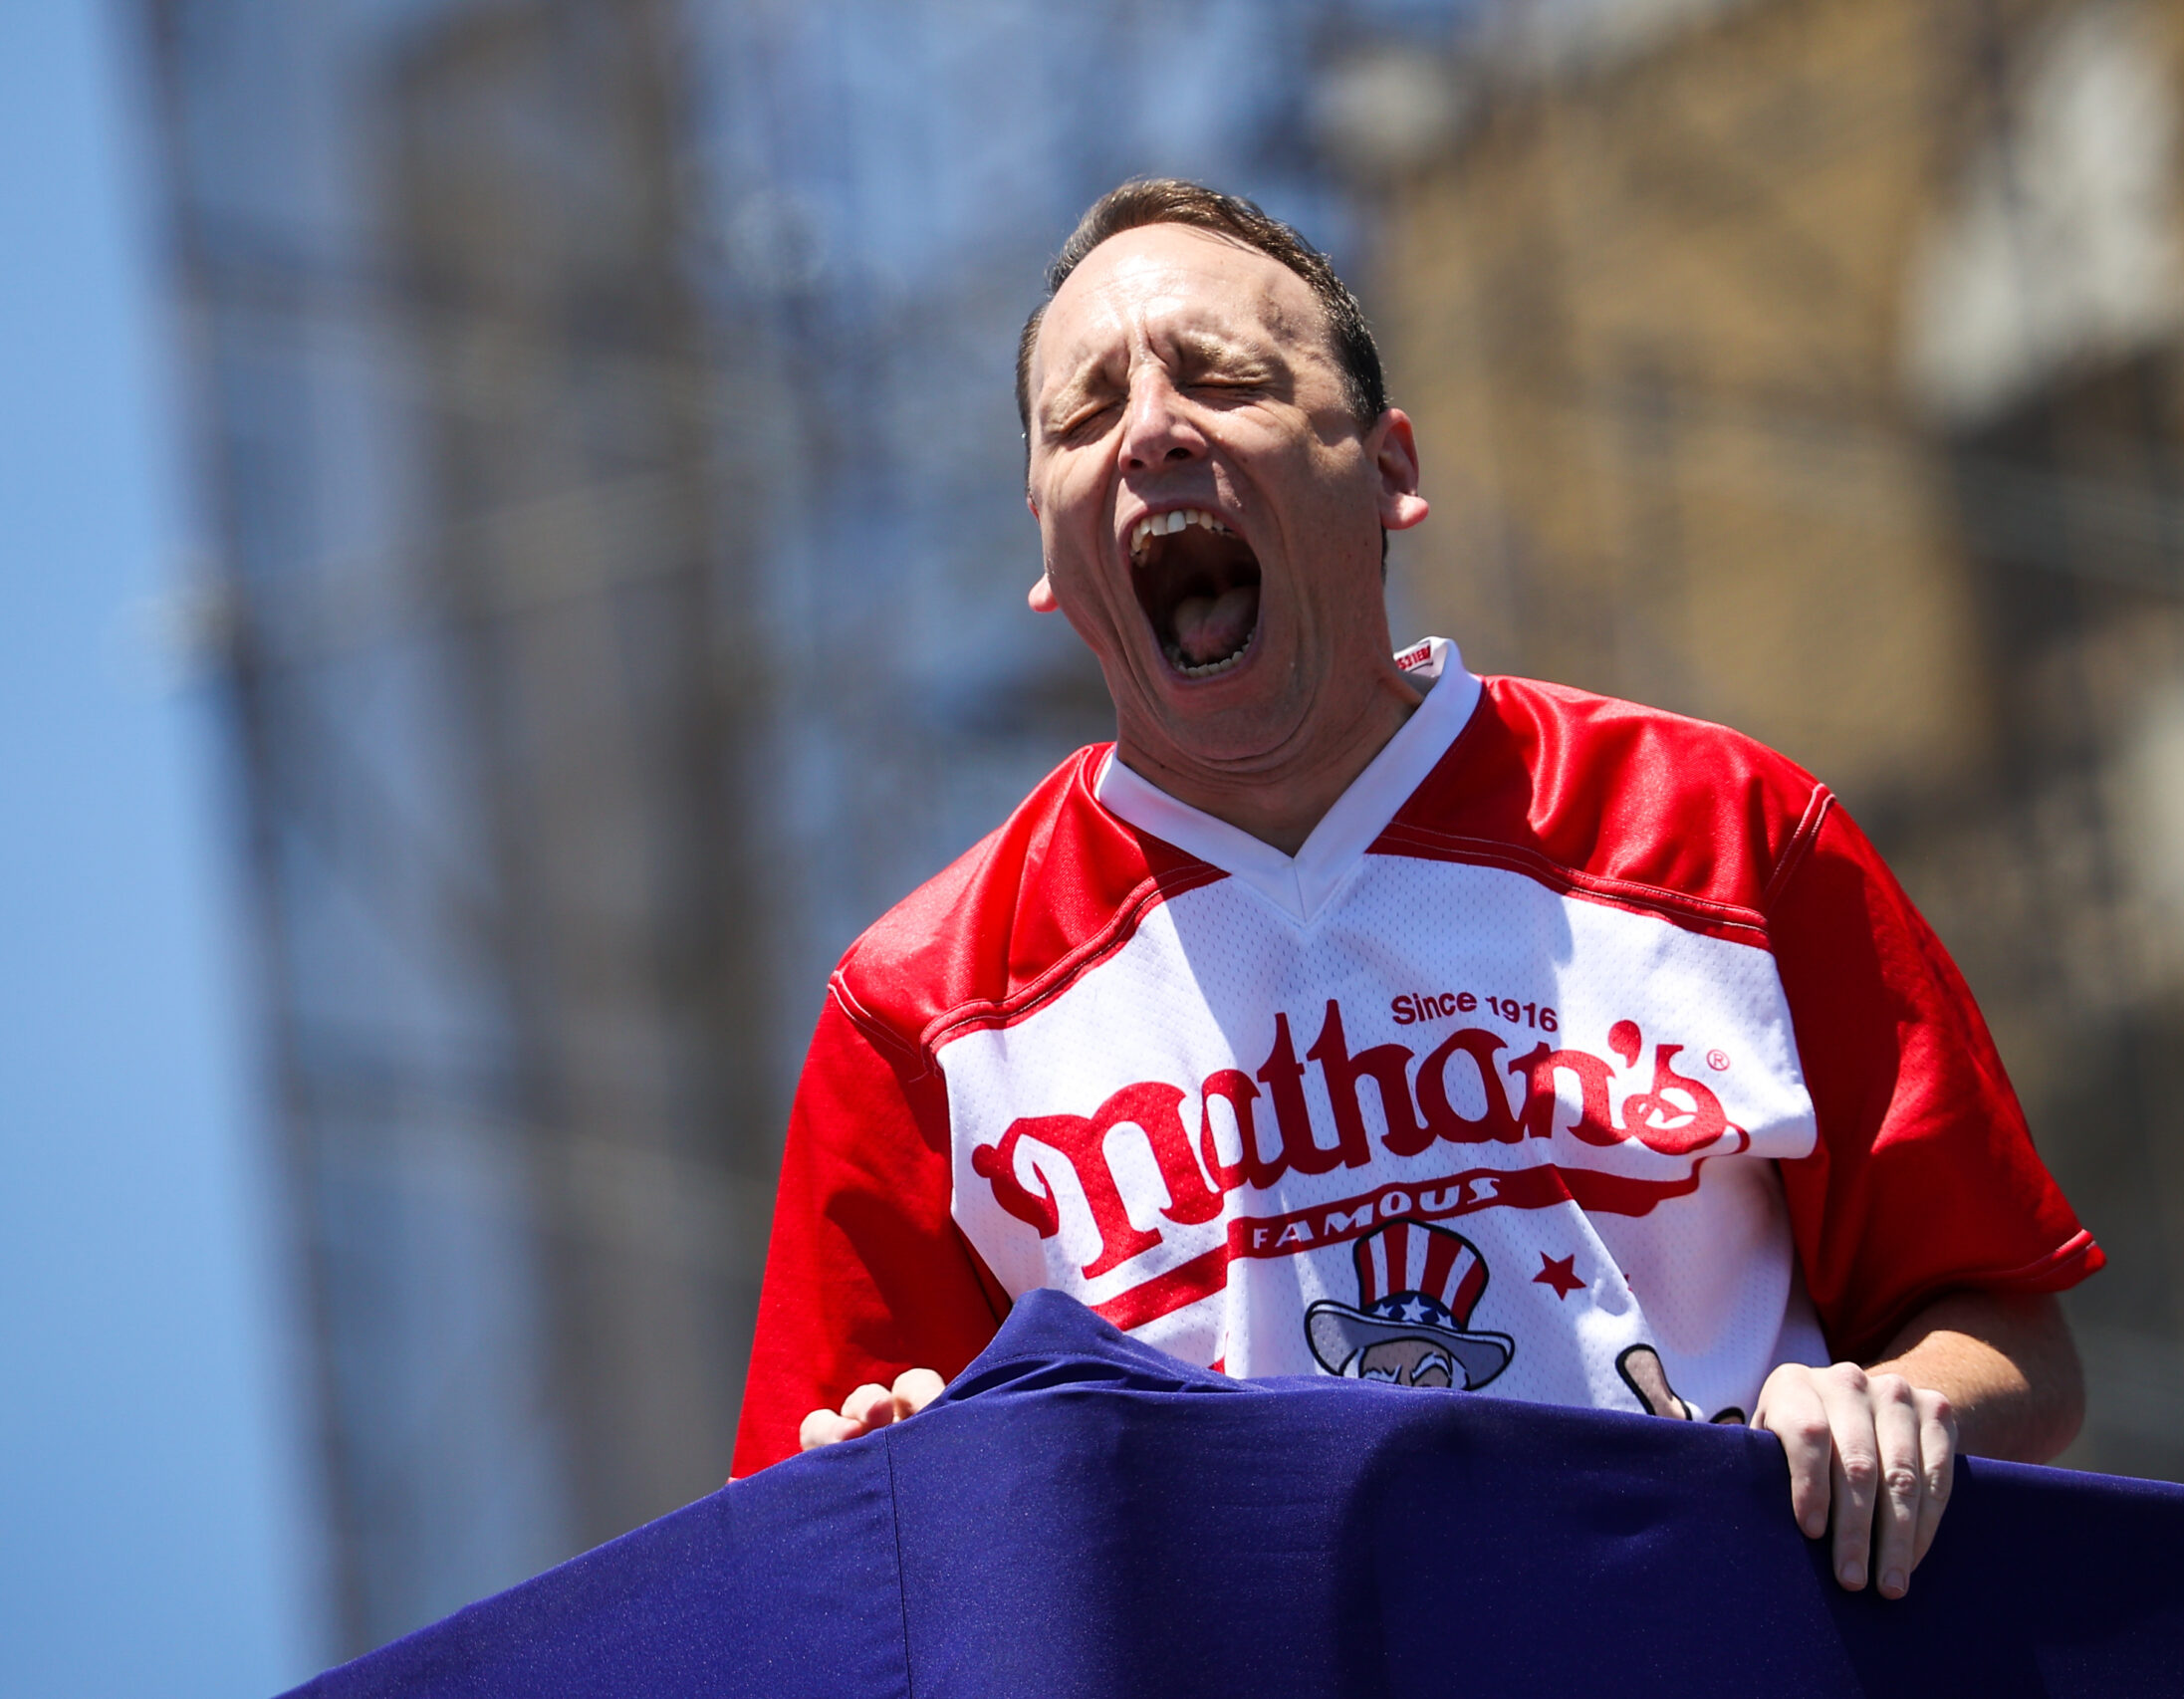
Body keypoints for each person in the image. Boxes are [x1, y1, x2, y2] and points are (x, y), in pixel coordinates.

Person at [730, 180, 2100, 1602]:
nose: (1148, 430)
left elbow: (2013, 1331)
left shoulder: (1725, 831)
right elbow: (807, 1570)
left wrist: (1903, 1408)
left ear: (1390, 470)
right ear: (1048, 565)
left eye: (1223, 377)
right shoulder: (917, 1017)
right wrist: (884, 1492)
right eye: (1081, 420)